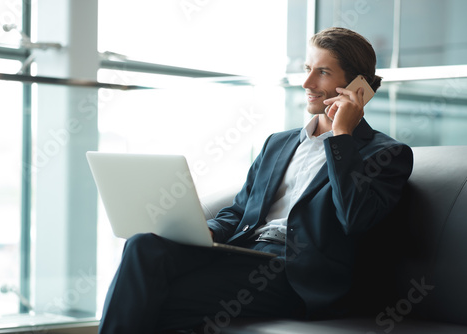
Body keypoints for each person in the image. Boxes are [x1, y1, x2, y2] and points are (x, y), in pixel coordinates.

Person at [98, 27, 413, 334]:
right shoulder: (279, 142)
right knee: (144, 245)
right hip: (243, 252)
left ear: (358, 86)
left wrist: (342, 136)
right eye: (307, 69)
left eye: (323, 72)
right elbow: (239, 211)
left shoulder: (385, 154)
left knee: (152, 299)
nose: (307, 82)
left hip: (296, 275)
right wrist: (205, 231)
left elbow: (354, 217)